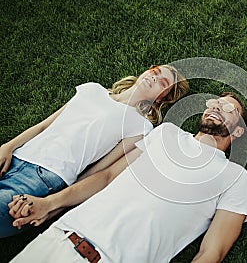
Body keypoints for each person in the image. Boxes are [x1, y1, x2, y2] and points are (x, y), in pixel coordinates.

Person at [9, 92, 247, 263]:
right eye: (214, 102)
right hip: (59, 237)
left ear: (239, 130)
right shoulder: (165, 134)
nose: (216, 107)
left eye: (229, 108)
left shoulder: (236, 178)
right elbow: (107, 177)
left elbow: (213, 252)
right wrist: (49, 203)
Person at [0, 65, 189, 237]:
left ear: (162, 97)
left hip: (44, 179)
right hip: (15, 157)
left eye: (162, 82)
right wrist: (7, 147)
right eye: (155, 72)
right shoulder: (92, 90)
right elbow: (44, 126)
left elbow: (97, 173)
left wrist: (51, 207)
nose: (154, 78)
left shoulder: (140, 127)